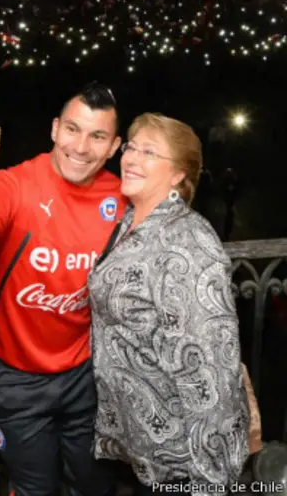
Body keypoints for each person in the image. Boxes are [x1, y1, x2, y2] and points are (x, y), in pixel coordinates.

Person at [0, 83, 127, 496]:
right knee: (34, 488)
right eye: (72, 129)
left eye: (97, 136)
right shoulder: (15, 186)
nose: (81, 147)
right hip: (18, 382)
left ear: (114, 146)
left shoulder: (120, 199)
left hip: (86, 377)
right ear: (53, 129)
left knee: (93, 483)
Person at [87, 113, 249, 495]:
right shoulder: (130, 220)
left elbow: (210, 367)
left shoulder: (187, 240)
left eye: (149, 152)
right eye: (131, 147)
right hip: (139, 442)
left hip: (181, 458)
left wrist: (209, 476)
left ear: (177, 175)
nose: (131, 158)